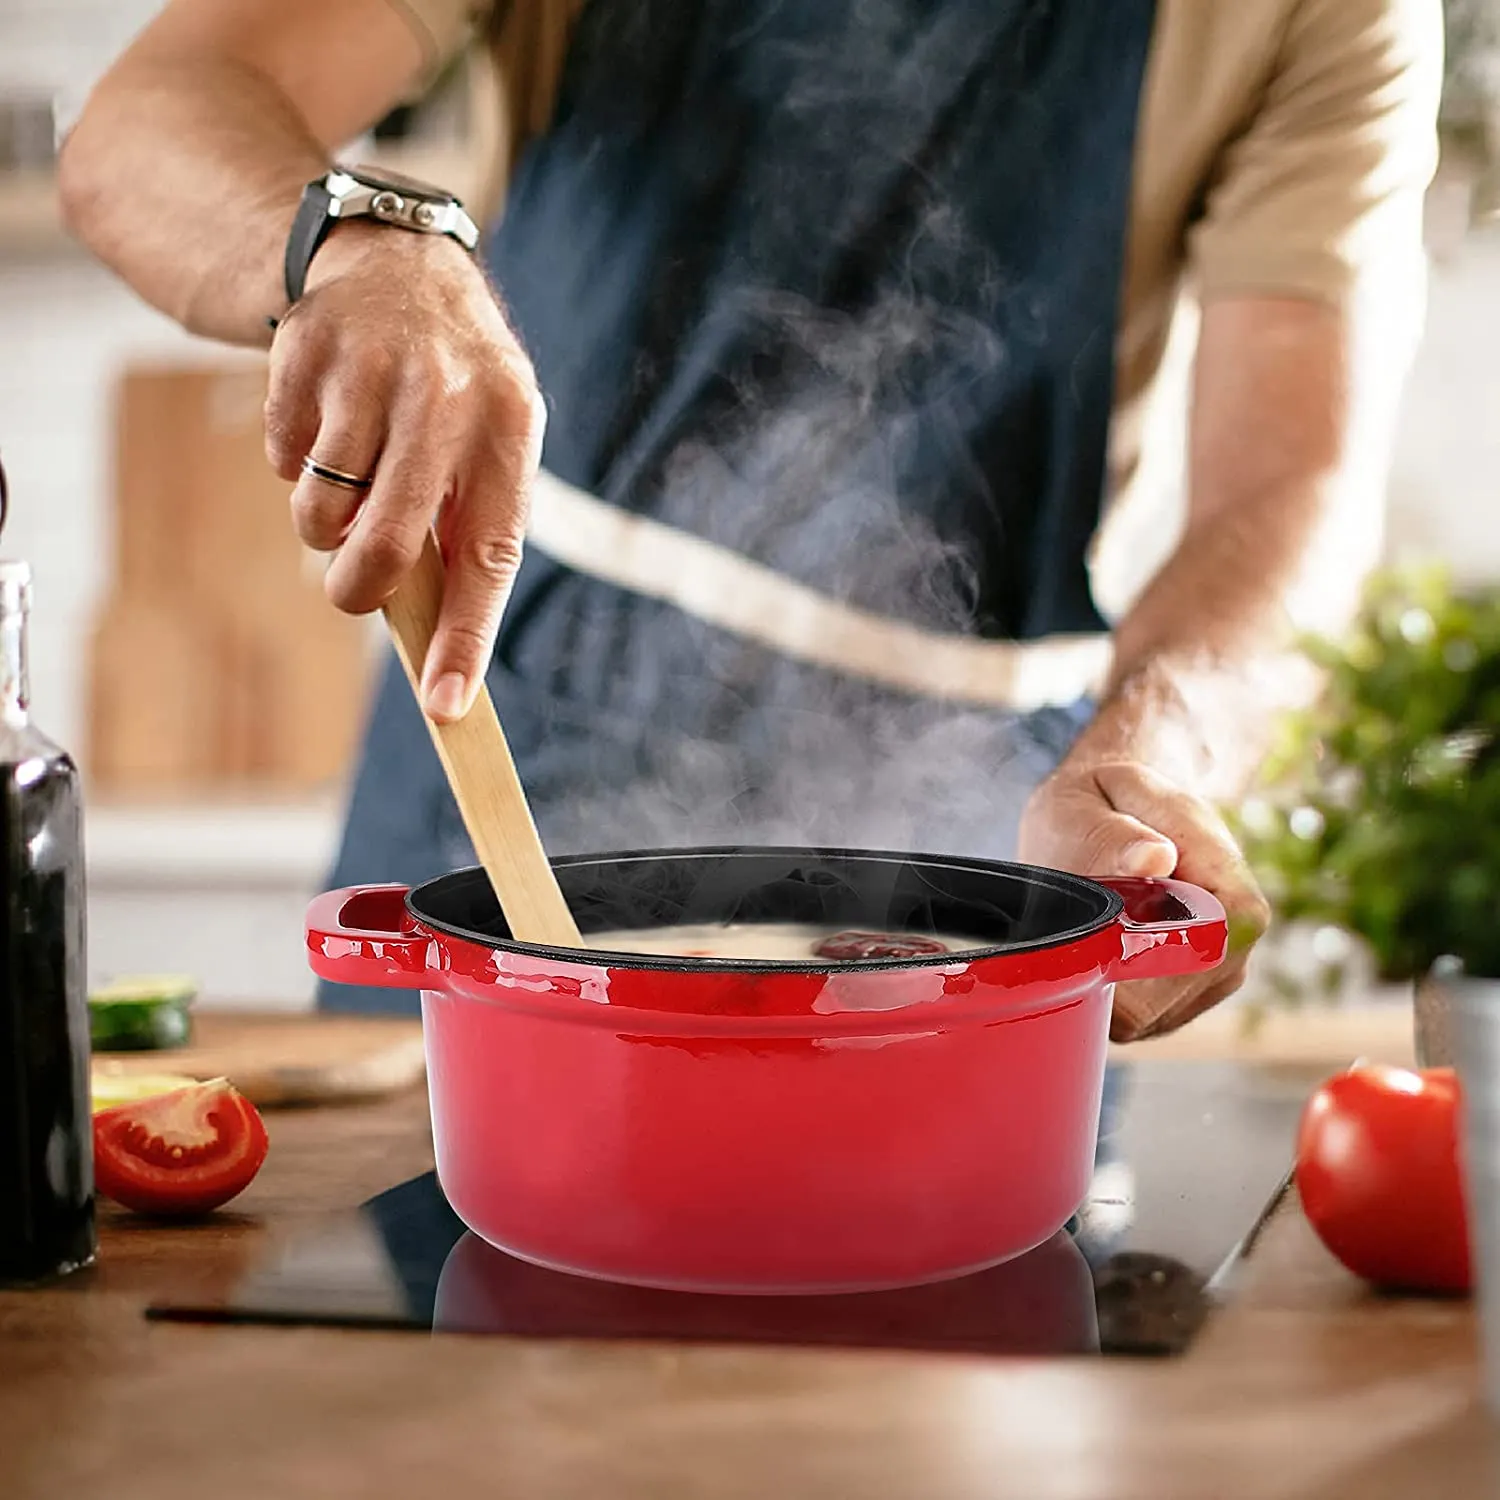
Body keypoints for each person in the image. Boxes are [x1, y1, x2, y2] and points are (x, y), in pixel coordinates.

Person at [60, 0, 1441, 1037]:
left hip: (986, 834)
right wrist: (353, 242)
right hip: (516, 760)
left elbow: (1290, 481)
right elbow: (152, 120)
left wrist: (1165, 755)